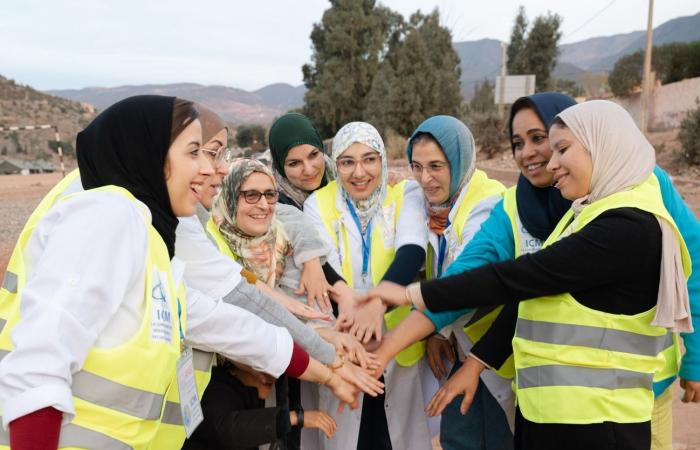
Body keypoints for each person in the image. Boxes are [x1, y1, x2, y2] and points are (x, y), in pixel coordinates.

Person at [0, 96, 357, 450]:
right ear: (151, 154)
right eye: (194, 152)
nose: (208, 169)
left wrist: (325, 371)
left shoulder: (149, 237)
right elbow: (39, 368)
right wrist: (329, 361)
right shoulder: (109, 214)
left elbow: (222, 324)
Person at [364, 100, 694, 450]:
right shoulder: (578, 210)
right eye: (518, 142)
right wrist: (391, 351)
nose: (544, 159)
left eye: (555, 145)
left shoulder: (626, 222)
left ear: (601, 142)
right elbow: (527, 295)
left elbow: (518, 277)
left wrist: (412, 295)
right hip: (552, 411)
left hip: (604, 415)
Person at [373, 115, 511, 450]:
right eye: (416, 166)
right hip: (460, 349)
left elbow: (461, 281)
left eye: (436, 165)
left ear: (460, 159)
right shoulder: (432, 205)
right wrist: (440, 333)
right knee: (457, 438)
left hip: (498, 354)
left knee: (498, 438)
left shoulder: (488, 202)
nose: (425, 178)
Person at [303, 122, 431, 450]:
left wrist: (377, 305)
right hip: (343, 342)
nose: (359, 172)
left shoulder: (406, 195)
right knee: (348, 438)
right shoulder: (318, 203)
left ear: (383, 161)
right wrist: (353, 319)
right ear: (336, 165)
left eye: (369, 159)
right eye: (347, 162)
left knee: (396, 439)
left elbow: (412, 250)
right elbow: (324, 262)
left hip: (397, 344)